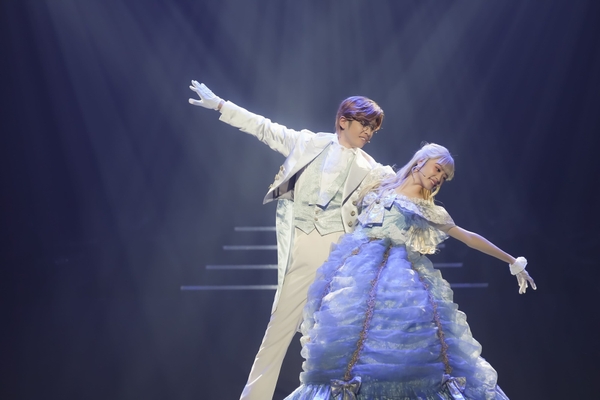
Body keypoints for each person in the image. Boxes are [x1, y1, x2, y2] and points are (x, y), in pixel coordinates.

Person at [188, 81, 393, 400]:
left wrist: (427, 167)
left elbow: (402, 187)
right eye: (364, 124)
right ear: (343, 121)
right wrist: (220, 105)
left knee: (338, 334)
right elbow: (263, 127)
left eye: (373, 129)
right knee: (279, 328)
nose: (368, 132)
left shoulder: (372, 169)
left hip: (340, 252)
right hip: (303, 244)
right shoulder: (307, 143)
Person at [284, 143, 536, 400]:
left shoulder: (426, 207)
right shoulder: (381, 181)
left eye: (444, 176)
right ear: (420, 161)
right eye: (438, 169)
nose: (438, 178)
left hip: (395, 276)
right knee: (343, 335)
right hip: (353, 270)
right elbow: (350, 158)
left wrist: (512, 261)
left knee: (397, 338)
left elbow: (468, 237)